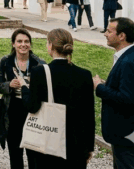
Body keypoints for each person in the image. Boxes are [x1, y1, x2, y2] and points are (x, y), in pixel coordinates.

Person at [21, 28, 95, 169]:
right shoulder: (85, 74)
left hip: (48, 141)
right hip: (76, 143)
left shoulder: (40, 72)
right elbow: (88, 114)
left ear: (50, 45)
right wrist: (89, 147)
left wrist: (24, 89)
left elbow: (32, 106)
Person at [94, 17, 134, 168]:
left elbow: (127, 99)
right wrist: (107, 85)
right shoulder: (130, 57)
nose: (105, 34)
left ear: (122, 36)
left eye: (109, 31)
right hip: (128, 131)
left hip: (128, 132)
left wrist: (99, 88)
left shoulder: (130, 62)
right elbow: (129, 90)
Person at [0, 29, 45, 169]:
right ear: (13, 44)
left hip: (33, 112)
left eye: (26, 41)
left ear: (30, 44)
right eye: (19, 41)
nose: (23, 44)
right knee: (15, 153)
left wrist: (31, 87)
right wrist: (9, 85)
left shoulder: (40, 63)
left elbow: (45, 91)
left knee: (34, 154)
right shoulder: (5, 62)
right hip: (12, 111)